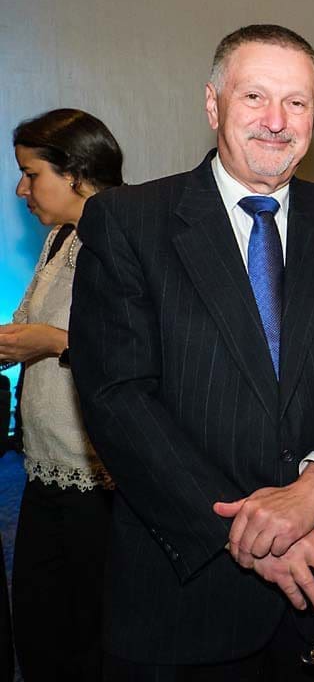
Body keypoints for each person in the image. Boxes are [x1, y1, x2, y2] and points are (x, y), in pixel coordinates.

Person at [70, 25, 314, 680]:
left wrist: (313, 488)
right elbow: (119, 399)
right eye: (255, 96)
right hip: (187, 586)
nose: (276, 121)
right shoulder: (128, 221)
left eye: (296, 102)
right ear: (213, 103)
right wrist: (247, 531)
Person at [1, 109, 123, 681]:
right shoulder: (59, 238)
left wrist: (52, 342)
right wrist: (25, 340)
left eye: (31, 174)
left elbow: (141, 351)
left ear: (74, 172)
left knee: (93, 630)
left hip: (104, 479)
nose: (21, 190)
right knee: (40, 623)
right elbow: (26, 325)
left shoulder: (125, 236)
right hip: (46, 465)